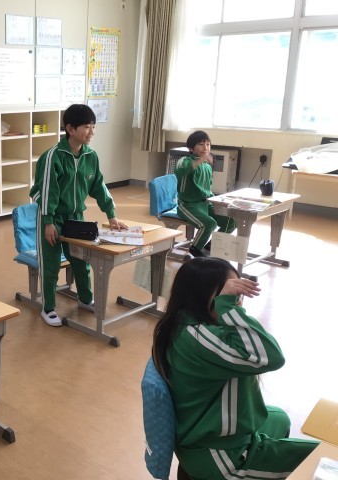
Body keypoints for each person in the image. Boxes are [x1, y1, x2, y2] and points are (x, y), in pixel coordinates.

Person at [151, 257, 318, 480]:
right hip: (220, 454)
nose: (238, 300)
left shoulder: (185, 322)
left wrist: (226, 306)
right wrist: (227, 306)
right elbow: (271, 356)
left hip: (215, 432)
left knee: (279, 418)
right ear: (202, 295)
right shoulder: (198, 339)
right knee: (319, 460)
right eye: (230, 292)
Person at [29, 104, 127, 327]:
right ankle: (48, 308)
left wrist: (111, 215)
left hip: (75, 218)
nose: (92, 132)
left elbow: (99, 186)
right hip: (51, 218)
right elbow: (46, 192)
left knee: (81, 261)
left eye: (93, 126)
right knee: (51, 265)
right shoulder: (53, 157)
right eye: (87, 127)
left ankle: (85, 298)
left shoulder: (90, 156)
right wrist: (48, 222)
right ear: (70, 129)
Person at [174, 130, 235, 258]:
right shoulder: (184, 161)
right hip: (188, 206)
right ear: (191, 148)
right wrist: (201, 160)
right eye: (201, 144)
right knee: (209, 224)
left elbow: (207, 188)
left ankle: (210, 246)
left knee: (232, 221)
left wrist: (217, 200)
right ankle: (195, 249)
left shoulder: (207, 166)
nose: (205, 148)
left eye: (208, 144)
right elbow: (183, 170)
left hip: (205, 204)